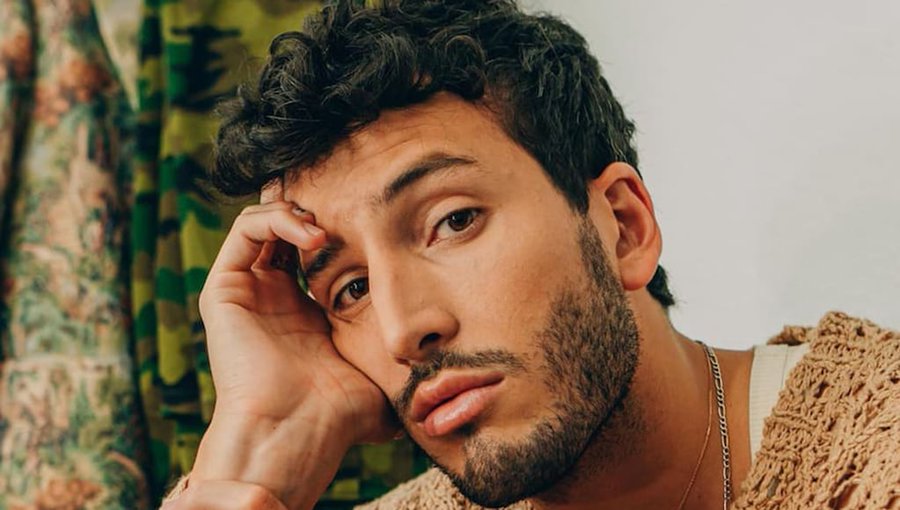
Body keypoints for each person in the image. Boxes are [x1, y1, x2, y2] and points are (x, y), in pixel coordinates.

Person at [160, 1, 900, 509]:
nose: (402, 329)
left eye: (452, 221)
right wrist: (259, 444)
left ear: (623, 226)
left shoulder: (877, 442)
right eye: (350, 288)